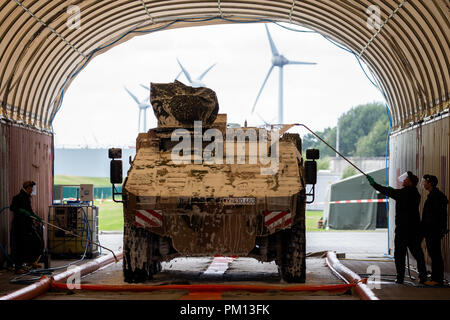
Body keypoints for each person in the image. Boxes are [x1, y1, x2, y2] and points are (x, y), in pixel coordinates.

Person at [366, 171, 427, 284]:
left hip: (403, 230)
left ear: (410, 182)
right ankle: (423, 277)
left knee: (399, 254)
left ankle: (400, 278)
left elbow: (388, 192)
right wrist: (393, 191)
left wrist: (374, 184)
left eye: (406, 179)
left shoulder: (404, 193)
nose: (403, 180)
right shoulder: (415, 193)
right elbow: (393, 192)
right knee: (418, 254)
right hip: (414, 229)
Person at [9, 181, 44, 274]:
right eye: (30, 188)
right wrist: (22, 211)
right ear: (26, 188)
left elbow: (30, 211)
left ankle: (31, 261)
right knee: (18, 246)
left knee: (35, 241)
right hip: (19, 226)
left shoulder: (28, 198)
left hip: (27, 225)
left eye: (32, 188)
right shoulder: (18, 197)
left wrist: (36, 217)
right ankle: (18, 267)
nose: (32, 190)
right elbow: (12, 208)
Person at [421, 174, 448, 286]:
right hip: (432, 230)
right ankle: (436, 278)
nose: (423, 184)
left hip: (433, 231)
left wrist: (429, 228)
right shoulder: (434, 195)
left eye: (425, 182)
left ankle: (437, 280)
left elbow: (435, 216)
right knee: (434, 254)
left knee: (435, 254)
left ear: (430, 183)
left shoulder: (435, 197)